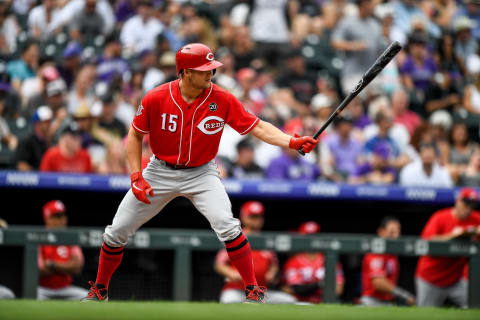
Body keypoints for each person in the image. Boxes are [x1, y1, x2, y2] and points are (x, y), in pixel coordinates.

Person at [81, 43, 319, 303]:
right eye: (203, 70)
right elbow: (135, 135)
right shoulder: (156, 97)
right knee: (117, 231)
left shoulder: (222, 98)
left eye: (211, 69)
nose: (210, 74)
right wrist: (136, 175)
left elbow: (257, 126)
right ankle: (100, 290)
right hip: (160, 170)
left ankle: (252, 290)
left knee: (228, 226)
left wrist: (291, 142)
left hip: (202, 173)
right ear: (184, 72)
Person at [214, 201, 296, 304]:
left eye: (259, 217)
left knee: (289, 300)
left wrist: (272, 272)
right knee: (229, 300)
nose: (257, 220)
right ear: (243, 217)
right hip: (237, 289)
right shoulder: (235, 236)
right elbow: (219, 264)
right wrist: (231, 273)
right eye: (253, 217)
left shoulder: (266, 240)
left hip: (261, 291)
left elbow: (274, 264)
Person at [416, 188, 480, 307]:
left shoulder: (476, 219)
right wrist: (454, 236)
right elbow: (427, 241)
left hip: (456, 280)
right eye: (466, 204)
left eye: (472, 205)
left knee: (475, 307)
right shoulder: (440, 217)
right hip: (431, 278)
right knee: (424, 315)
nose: (468, 209)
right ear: (458, 201)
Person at [283, 221, 345, 304]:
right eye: (307, 237)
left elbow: (338, 290)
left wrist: (310, 287)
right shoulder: (294, 261)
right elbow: (292, 289)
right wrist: (320, 285)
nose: (310, 240)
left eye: (314, 236)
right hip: (300, 303)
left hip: (323, 302)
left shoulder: (329, 259)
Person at [38, 200, 88, 300]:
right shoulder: (39, 237)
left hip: (66, 289)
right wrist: (66, 267)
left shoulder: (70, 239)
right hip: (42, 289)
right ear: (47, 219)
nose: (63, 219)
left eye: (63, 216)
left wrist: (52, 264)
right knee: (31, 296)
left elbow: (77, 268)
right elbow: (40, 270)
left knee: (89, 298)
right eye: (57, 216)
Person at [360, 216, 415, 306]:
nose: (396, 236)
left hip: (388, 302)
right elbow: (378, 283)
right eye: (392, 232)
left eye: (398, 232)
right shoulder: (375, 252)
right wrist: (405, 296)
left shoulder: (392, 253)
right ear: (381, 232)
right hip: (371, 302)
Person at [14, 106, 53, 171]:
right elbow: (21, 165)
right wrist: (38, 175)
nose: (49, 125)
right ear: (37, 123)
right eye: (46, 122)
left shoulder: (48, 141)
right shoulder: (26, 141)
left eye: (49, 122)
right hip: (29, 178)